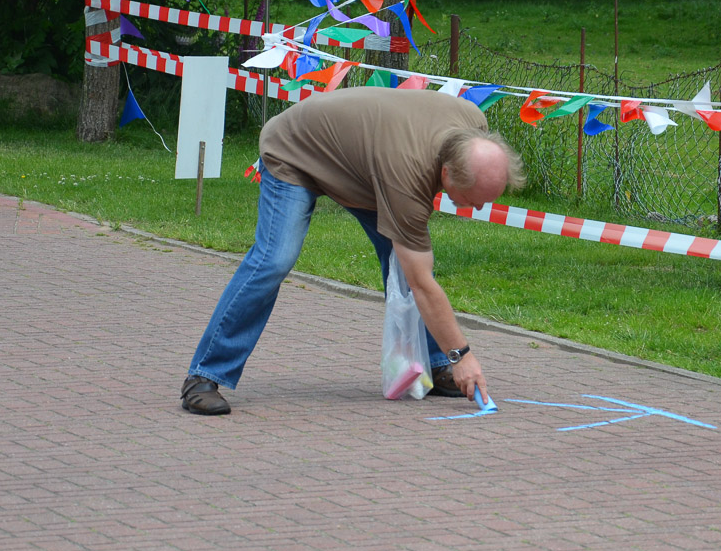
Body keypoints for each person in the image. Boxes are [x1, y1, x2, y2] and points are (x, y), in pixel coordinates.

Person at [181, 85, 526, 416]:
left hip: (364, 167)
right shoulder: (407, 173)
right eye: (474, 198)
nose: (479, 207)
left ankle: (436, 365)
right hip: (295, 149)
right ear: (446, 173)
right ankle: (204, 375)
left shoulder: (473, 123)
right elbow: (420, 283)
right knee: (275, 259)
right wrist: (462, 355)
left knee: (406, 259)